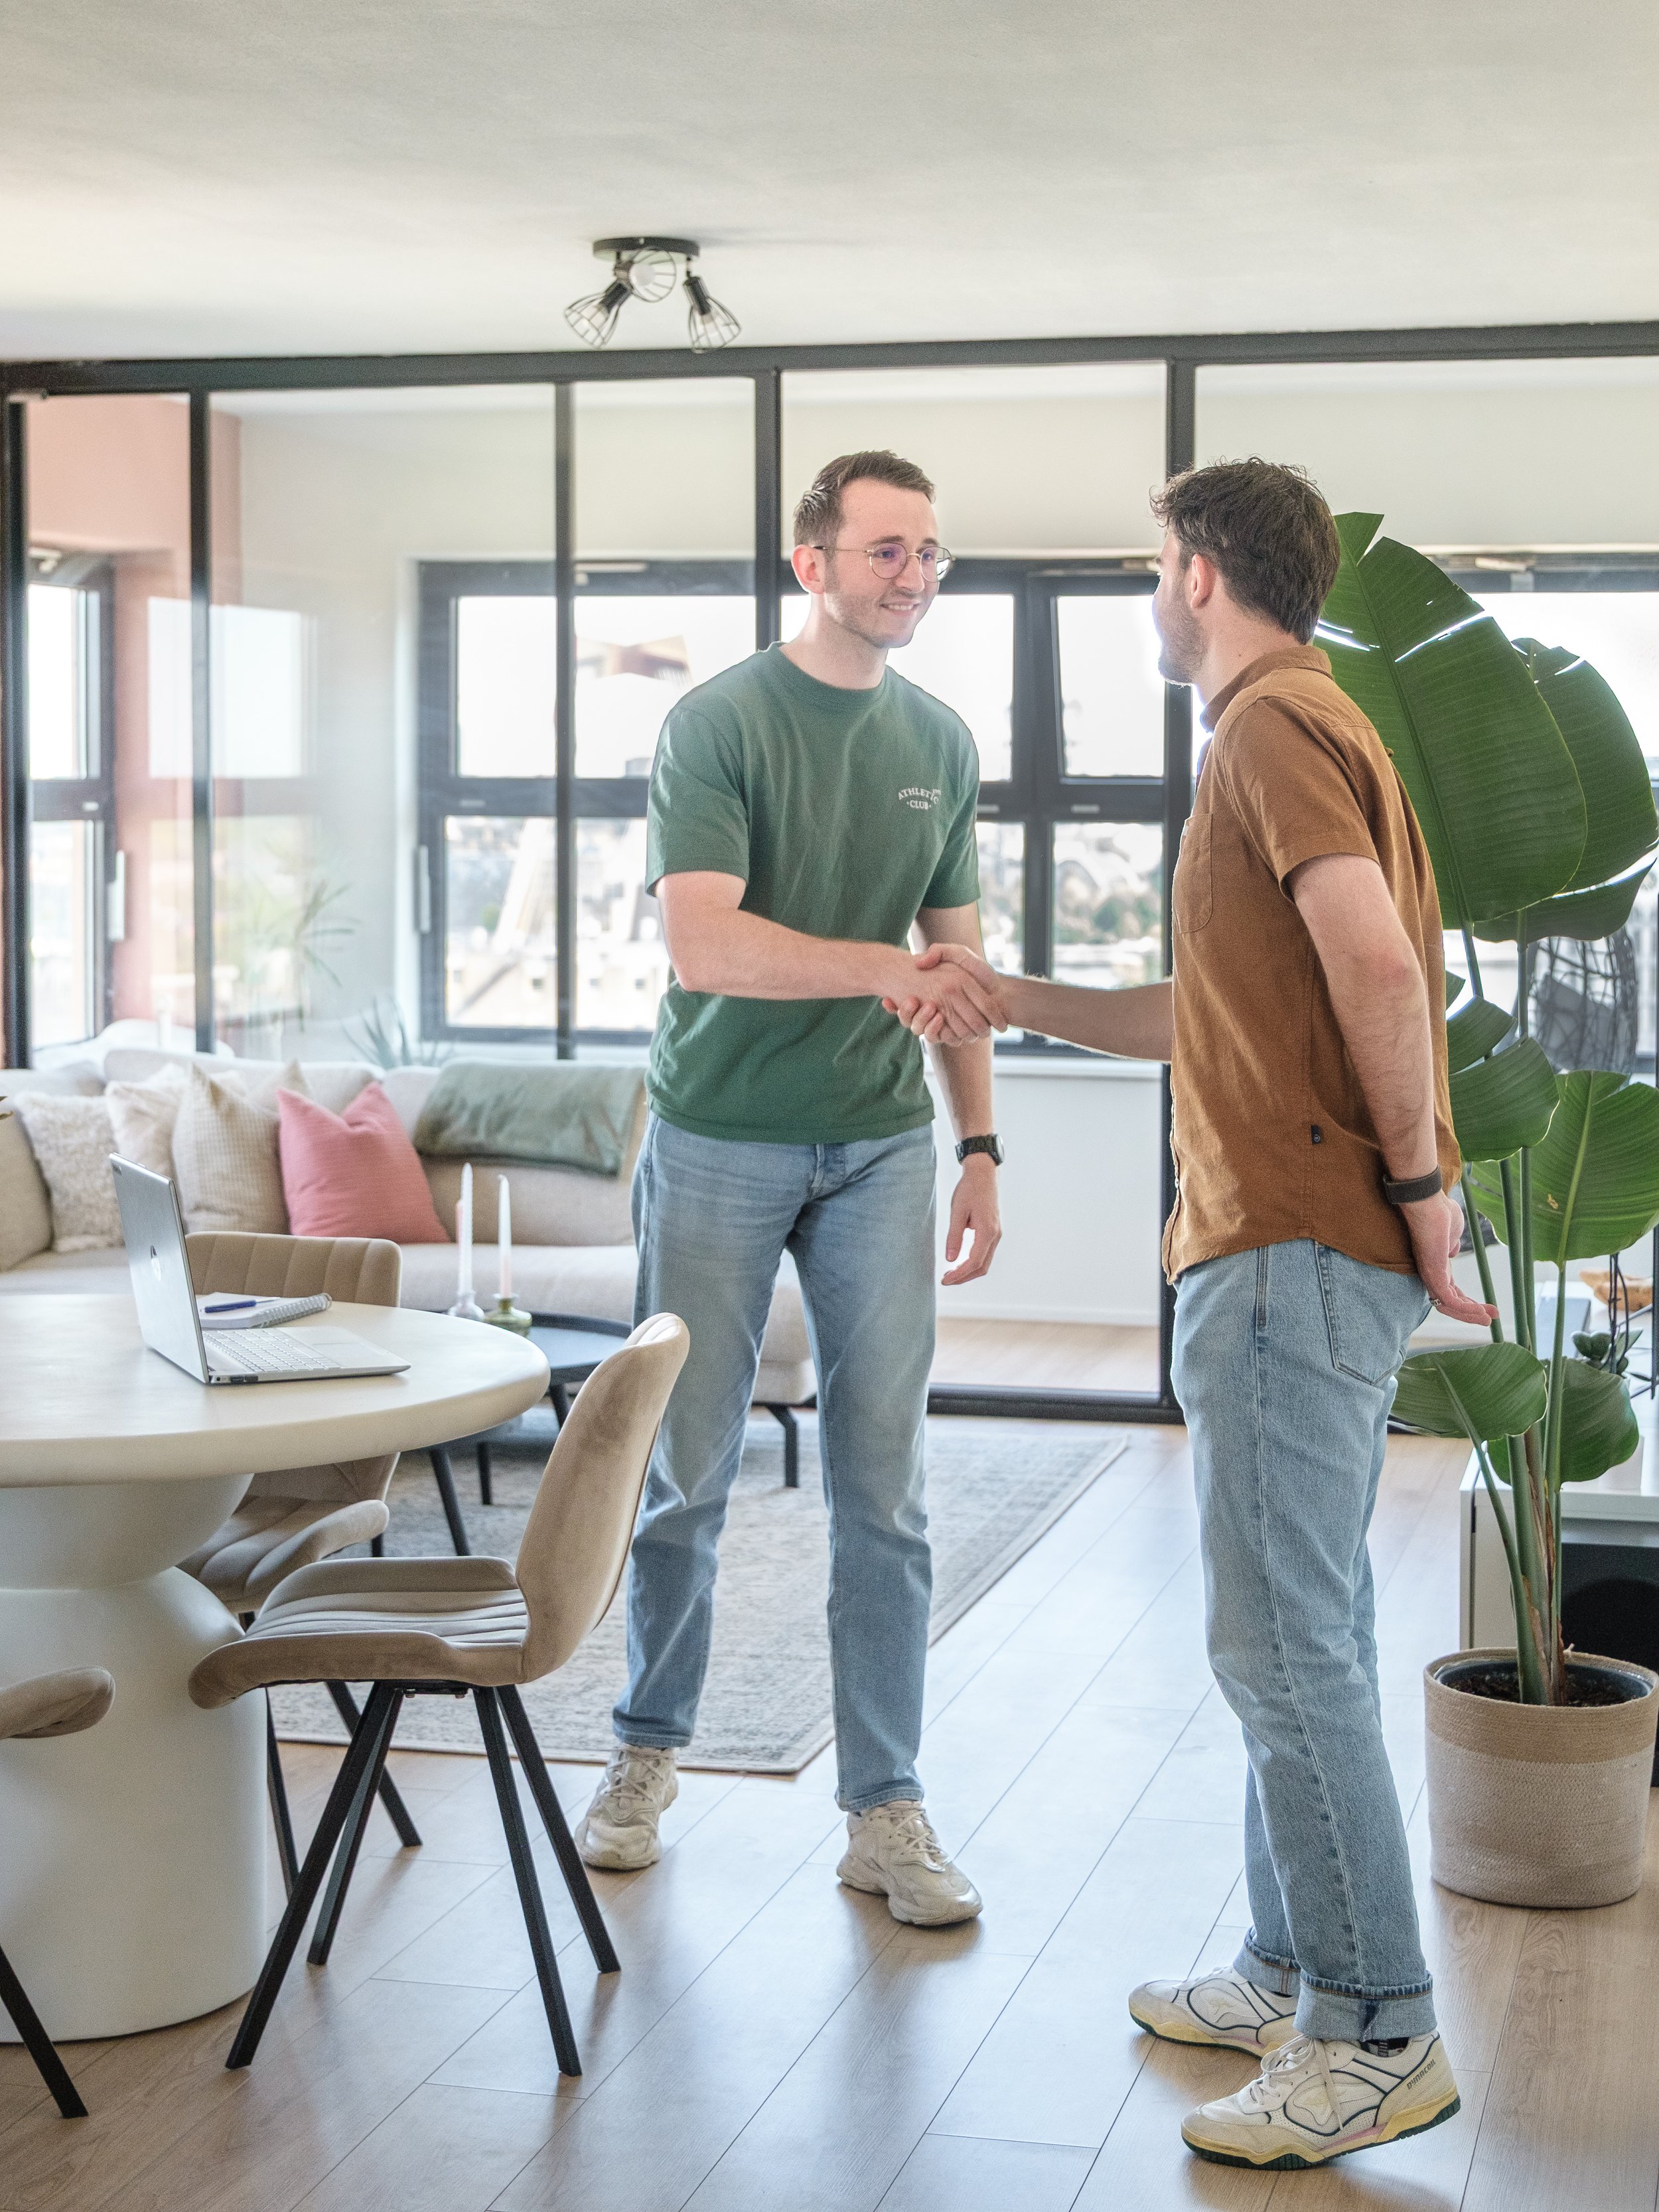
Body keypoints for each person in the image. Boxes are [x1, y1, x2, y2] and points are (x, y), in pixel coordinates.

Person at [889, 459, 1495, 2165]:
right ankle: (1288, 1960)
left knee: (1278, 1640)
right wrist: (1009, 997)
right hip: (1286, 1243)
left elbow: (1376, 965)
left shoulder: (1267, 728)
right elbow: (1204, 1011)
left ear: (1202, 573)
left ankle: (1372, 2027)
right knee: (1300, 1620)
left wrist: (1423, 1187)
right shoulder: (1313, 723)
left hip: (1288, 1246)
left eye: (1155, 567)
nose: (1151, 597)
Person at [575, 449, 1003, 1928]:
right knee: (685, 1471)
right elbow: (706, 944)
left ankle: (885, 1805)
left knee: (884, 1488)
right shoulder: (718, 723)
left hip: (882, 1144)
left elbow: (953, 971)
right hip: (719, 1137)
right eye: (886, 549)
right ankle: (643, 1754)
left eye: (929, 551)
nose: (914, 575)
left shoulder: (939, 741)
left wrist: (980, 1145)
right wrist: (882, 967)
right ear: (811, 562)